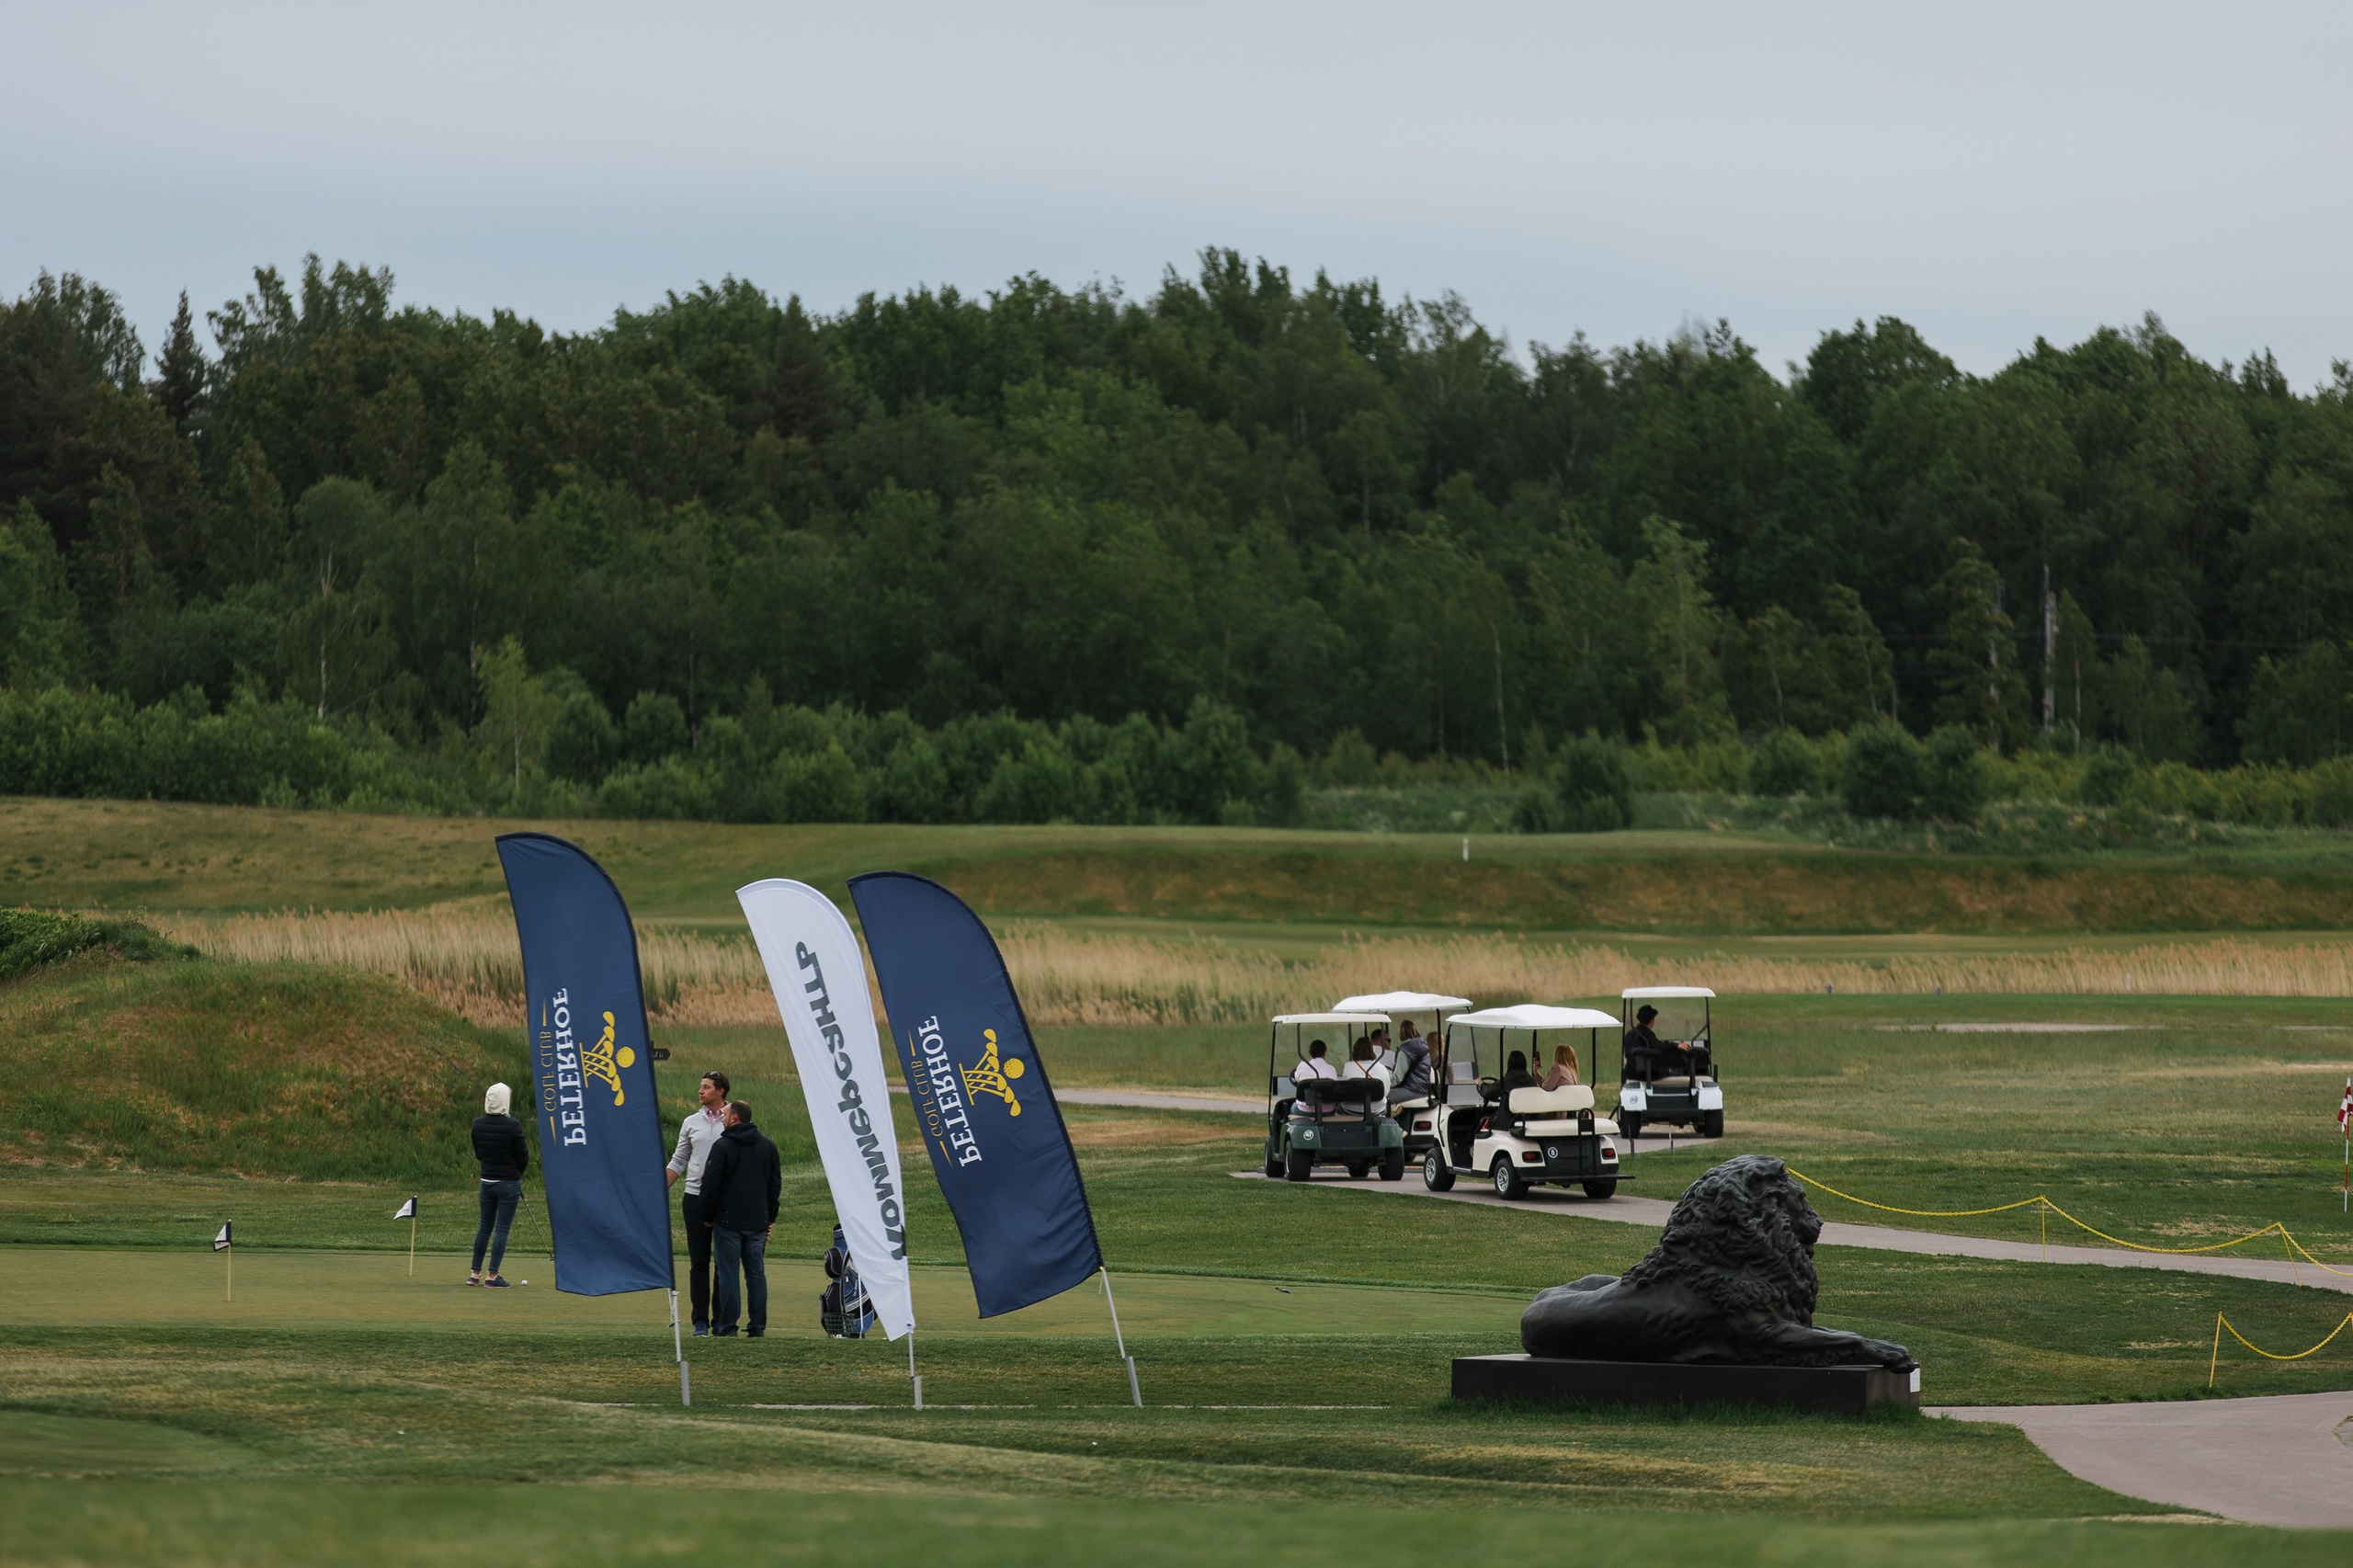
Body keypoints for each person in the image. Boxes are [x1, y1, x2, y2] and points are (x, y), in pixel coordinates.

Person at [699, 1100, 781, 1337]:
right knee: (755, 1274)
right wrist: (770, 1216)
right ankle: (757, 1326)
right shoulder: (767, 1146)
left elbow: (710, 1184)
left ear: (735, 1118)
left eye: (725, 1114)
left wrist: (706, 1214)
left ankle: (727, 1326)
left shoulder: (723, 1145)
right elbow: (774, 1185)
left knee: (728, 1275)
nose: (722, 1117)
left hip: (728, 1222)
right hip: (757, 1221)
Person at [665, 1070, 731, 1336]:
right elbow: (679, 1159)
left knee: (723, 1263)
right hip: (695, 1197)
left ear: (720, 1091)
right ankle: (700, 1321)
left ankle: (721, 1320)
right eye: (700, 1086)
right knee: (699, 1261)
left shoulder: (734, 1118)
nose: (700, 1091)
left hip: (726, 1199)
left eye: (706, 1087)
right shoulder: (691, 1122)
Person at [469, 1082, 529, 1288]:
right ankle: (492, 1277)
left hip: (486, 1181)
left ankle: (474, 1274)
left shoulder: (477, 1124)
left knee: (484, 1227)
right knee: (502, 1229)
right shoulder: (513, 1126)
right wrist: (516, 1174)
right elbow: (523, 1156)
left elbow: (479, 1154)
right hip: (508, 1183)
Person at [1624, 1004, 1688, 1081]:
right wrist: (1676, 1045)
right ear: (1651, 1021)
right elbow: (1659, 1046)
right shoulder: (1647, 1034)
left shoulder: (1629, 1034)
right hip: (1647, 1074)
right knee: (1668, 1070)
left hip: (1631, 1073)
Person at [1388, 1020, 1432, 1110]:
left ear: (1402, 1033)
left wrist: (1383, 1082)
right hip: (1423, 1088)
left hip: (1411, 1089)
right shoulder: (1424, 1047)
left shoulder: (1405, 1051)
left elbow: (1397, 1078)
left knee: (1381, 1098)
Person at [1486, 1049, 1536, 1125]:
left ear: (1509, 1064)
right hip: (1526, 1121)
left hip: (1505, 1123)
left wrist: (1480, 1084)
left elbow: (1487, 1091)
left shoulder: (1505, 1082)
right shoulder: (1532, 1082)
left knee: (1484, 1122)